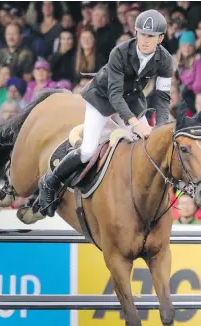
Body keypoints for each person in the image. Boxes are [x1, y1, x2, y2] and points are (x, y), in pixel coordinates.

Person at [39, 9, 173, 217]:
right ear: (135, 33)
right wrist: (136, 124)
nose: (146, 40)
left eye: (152, 36)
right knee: (88, 151)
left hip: (133, 100)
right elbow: (115, 95)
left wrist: (161, 128)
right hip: (102, 98)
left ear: (161, 38)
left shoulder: (165, 60)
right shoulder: (119, 53)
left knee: (148, 146)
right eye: (142, 34)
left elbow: (163, 98)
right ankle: (50, 182)